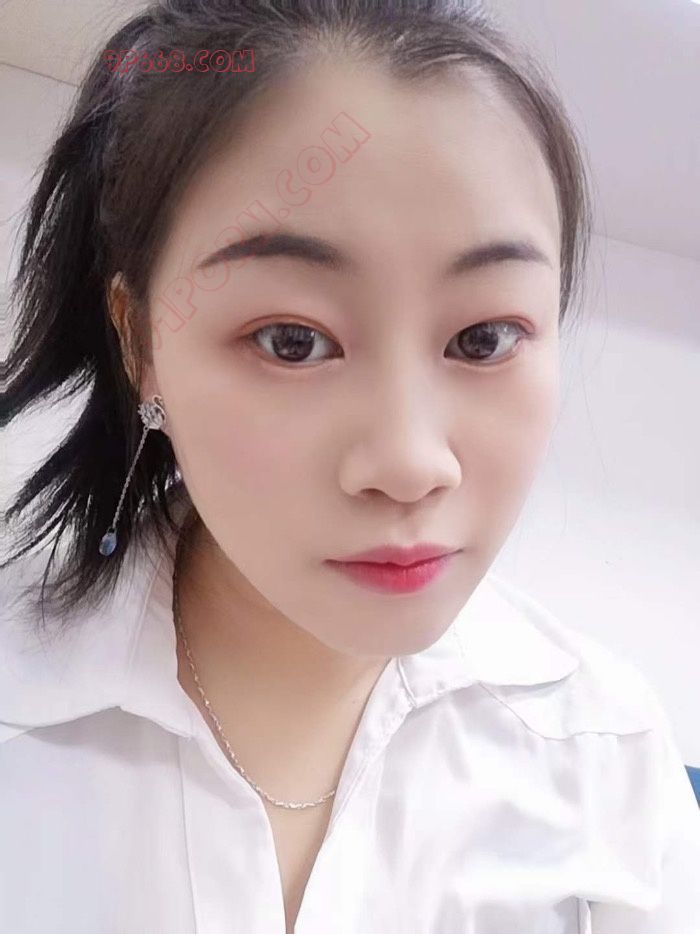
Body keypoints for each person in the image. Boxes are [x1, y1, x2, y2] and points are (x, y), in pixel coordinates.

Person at [2, 1, 699, 931]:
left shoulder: (607, 756)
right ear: (140, 344)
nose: (410, 464)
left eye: (485, 338)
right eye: (291, 341)